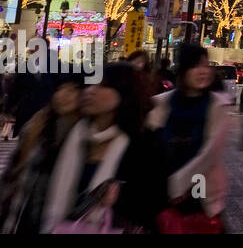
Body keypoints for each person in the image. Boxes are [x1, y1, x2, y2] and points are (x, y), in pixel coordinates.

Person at [41, 63, 163, 233]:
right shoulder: (74, 134)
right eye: (90, 84)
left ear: (124, 94)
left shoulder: (144, 142)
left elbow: (154, 201)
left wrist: (118, 197)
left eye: (103, 86)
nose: (90, 91)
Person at [146, 44, 233, 232]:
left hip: (201, 191)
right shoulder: (160, 103)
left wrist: (178, 184)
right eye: (195, 66)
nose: (203, 71)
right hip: (163, 192)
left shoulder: (218, 105)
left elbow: (209, 154)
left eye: (206, 65)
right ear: (183, 70)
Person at [0, 75, 83, 233]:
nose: (64, 95)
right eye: (60, 89)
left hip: (61, 220)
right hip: (23, 214)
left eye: (73, 89)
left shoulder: (85, 134)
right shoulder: (38, 125)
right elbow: (13, 175)